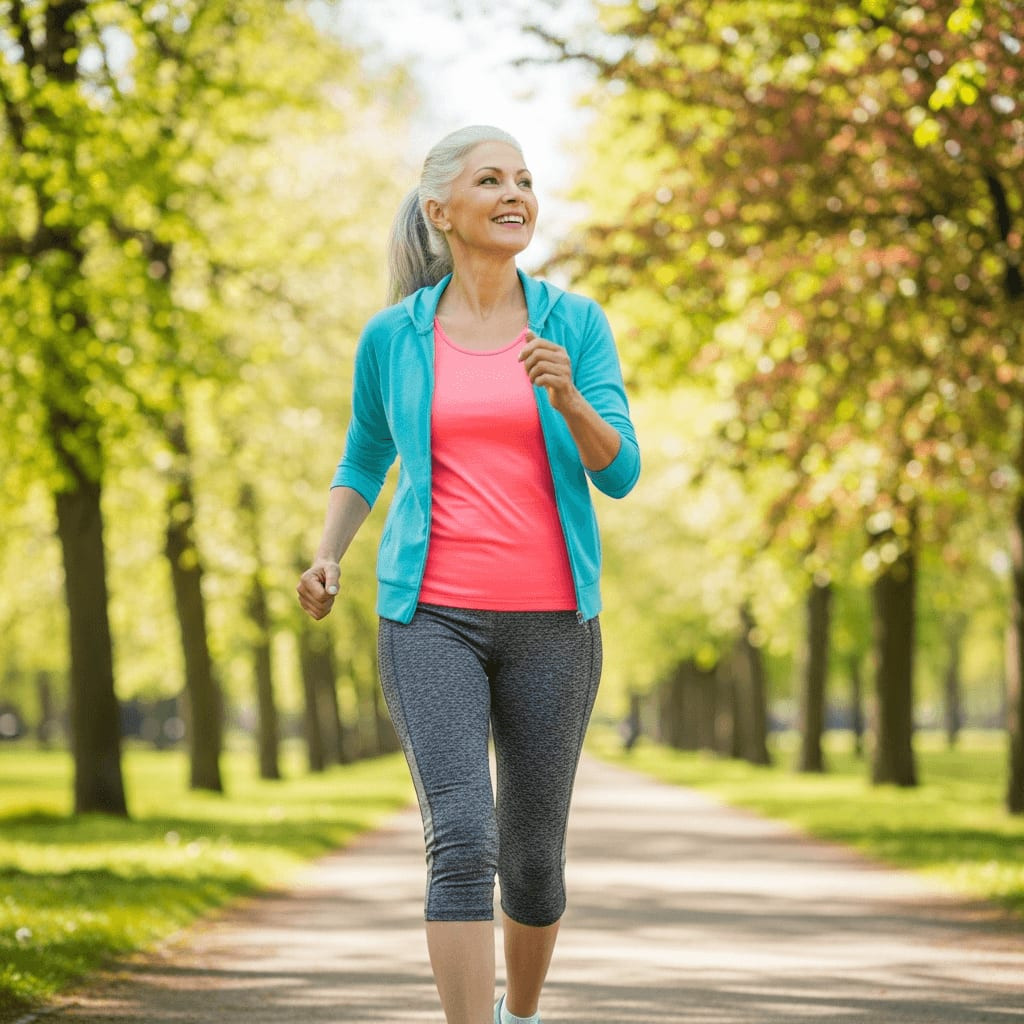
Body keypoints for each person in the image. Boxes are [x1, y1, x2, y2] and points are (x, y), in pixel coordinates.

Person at [296, 124, 639, 1024]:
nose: (515, 193)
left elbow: (622, 471)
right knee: (461, 839)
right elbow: (365, 459)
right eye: (491, 180)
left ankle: (521, 1015)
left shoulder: (575, 325)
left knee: (531, 857)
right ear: (441, 210)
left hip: (555, 622)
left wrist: (568, 398)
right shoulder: (394, 338)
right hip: (429, 618)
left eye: (524, 178)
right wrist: (328, 553)